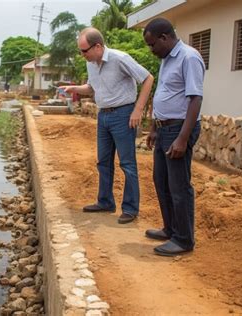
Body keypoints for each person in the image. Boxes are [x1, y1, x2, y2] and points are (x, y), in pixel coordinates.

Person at [61, 27, 154, 224]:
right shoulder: (91, 64)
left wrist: (138, 110)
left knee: (127, 163)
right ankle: (105, 201)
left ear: (98, 47)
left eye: (84, 51)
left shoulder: (120, 58)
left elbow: (147, 78)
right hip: (103, 116)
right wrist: (74, 88)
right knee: (103, 162)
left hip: (123, 115)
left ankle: (130, 208)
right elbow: (92, 88)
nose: (81, 55)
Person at [143, 18, 205, 256]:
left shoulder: (189, 57)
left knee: (179, 186)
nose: (151, 49)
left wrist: (182, 138)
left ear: (164, 38)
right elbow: (164, 94)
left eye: (152, 44)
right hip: (164, 129)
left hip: (179, 129)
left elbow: (195, 98)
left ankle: (184, 239)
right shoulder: (167, 59)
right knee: (161, 181)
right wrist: (154, 128)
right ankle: (170, 228)